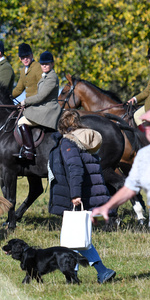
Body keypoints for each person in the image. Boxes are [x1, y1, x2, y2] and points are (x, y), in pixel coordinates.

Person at [93, 105, 150, 300]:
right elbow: (130, 188)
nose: (149, 128)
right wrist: (106, 207)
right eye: (146, 125)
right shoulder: (144, 155)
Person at [48, 109, 116, 284]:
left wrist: (75, 195)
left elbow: (75, 168)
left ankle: (100, 272)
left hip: (81, 195)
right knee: (77, 240)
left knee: (74, 240)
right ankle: (79, 277)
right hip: (92, 193)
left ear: (62, 125)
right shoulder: (87, 140)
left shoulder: (69, 142)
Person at [14, 51, 62, 161]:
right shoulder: (45, 76)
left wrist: (25, 102)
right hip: (42, 107)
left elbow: (41, 97)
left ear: (52, 64)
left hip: (49, 109)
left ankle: (29, 150)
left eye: (47, 64)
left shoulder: (51, 78)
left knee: (21, 122)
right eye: (42, 64)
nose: (44, 66)